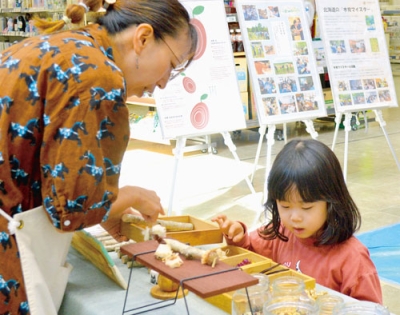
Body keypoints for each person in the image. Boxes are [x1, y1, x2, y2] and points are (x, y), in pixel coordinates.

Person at [0, 0, 197, 313]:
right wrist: (126, 196)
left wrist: (106, 205)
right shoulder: (96, 75)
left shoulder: (61, 48)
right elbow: (69, 210)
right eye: (172, 66)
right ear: (143, 38)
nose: (162, 83)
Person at [212, 139, 383, 304]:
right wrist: (239, 236)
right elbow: (249, 253)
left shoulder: (352, 258)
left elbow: (371, 309)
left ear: (332, 202)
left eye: (306, 207)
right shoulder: (279, 234)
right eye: (285, 206)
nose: (295, 217)